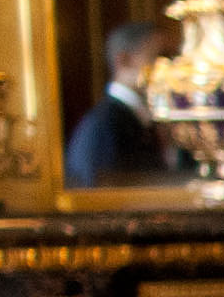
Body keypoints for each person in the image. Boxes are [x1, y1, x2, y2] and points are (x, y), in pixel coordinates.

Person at [63, 19, 173, 183]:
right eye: (158, 57)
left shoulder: (141, 121)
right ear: (124, 60)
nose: (169, 68)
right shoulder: (105, 125)